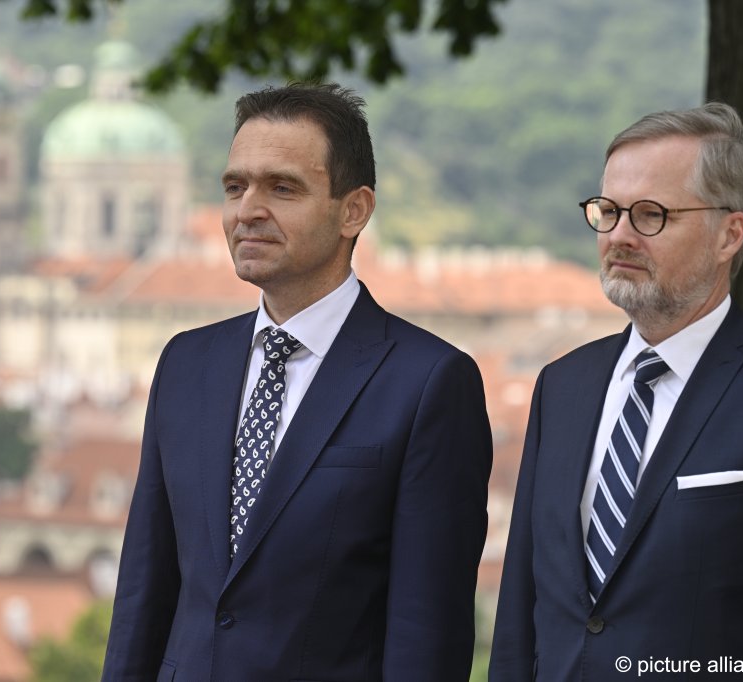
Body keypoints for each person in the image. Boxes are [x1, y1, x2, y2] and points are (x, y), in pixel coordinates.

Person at [101, 82, 492, 681]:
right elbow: (144, 594)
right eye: (235, 187)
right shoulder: (186, 362)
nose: (247, 210)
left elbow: (427, 632)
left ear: (353, 210)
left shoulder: (430, 383)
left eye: (282, 188)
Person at [490, 102, 743, 680]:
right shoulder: (561, 386)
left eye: (651, 215)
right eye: (608, 211)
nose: (619, 235)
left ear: (729, 234)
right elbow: (521, 616)